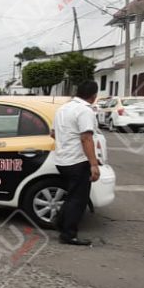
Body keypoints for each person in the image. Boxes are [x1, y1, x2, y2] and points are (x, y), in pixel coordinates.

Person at [52, 80, 102, 246]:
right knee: (78, 199)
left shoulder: (62, 108)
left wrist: (65, 143)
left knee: (72, 195)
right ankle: (69, 235)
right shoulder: (84, 111)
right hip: (77, 161)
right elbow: (86, 138)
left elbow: (53, 133)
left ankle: (60, 222)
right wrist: (93, 164)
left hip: (61, 160)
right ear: (94, 96)